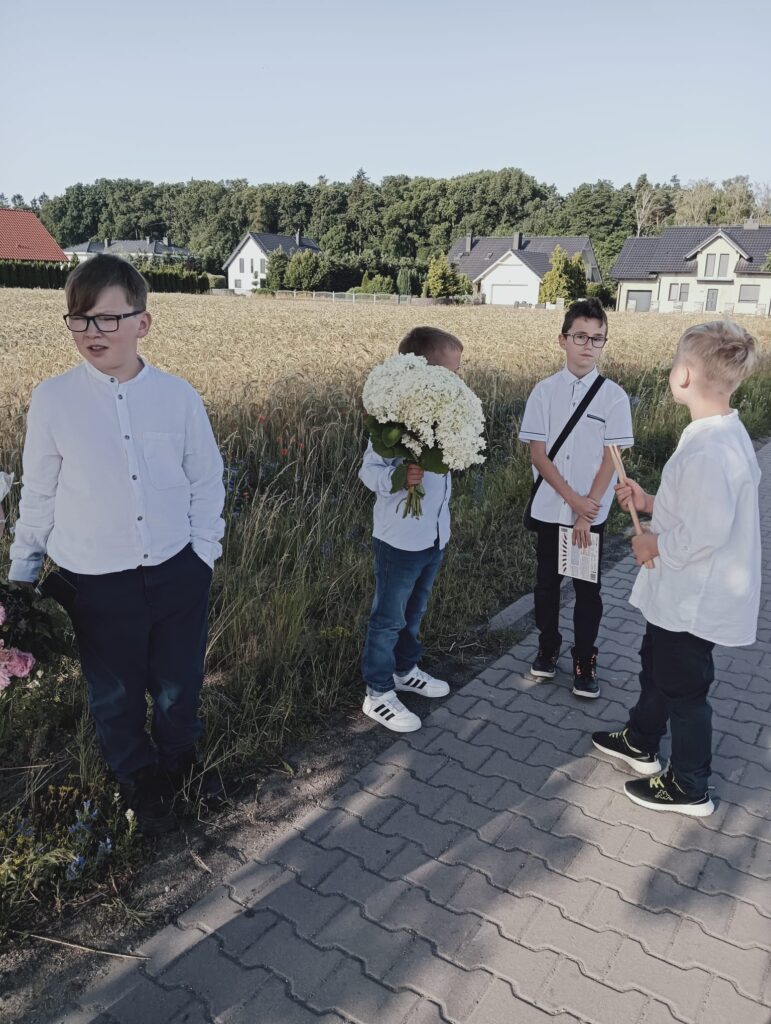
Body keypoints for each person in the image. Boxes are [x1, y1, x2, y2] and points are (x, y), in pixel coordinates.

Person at [8, 254, 225, 835]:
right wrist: (21, 579)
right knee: (115, 694)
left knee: (179, 685)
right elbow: (40, 493)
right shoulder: (53, 400)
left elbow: (206, 479)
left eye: (106, 318)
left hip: (177, 571)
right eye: (78, 319)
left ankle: (179, 762)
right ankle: (138, 779)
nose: (91, 332)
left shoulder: (178, 397)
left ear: (142, 323)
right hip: (95, 582)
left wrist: (203, 555)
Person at [592, 321, 760, 816]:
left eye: (673, 364)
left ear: (685, 374)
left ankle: (690, 784)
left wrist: (654, 543)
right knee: (656, 663)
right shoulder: (719, 432)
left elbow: (706, 531)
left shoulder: (711, 448)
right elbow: (698, 505)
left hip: (694, 596)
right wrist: (650, 501)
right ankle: (641, 739)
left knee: (685, 687)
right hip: (682, 590)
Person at [519, 297, 634, 697]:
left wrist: (587, 512)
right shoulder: (543, 392)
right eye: (580, 336)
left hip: (589, 516)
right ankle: (548, 646)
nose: (588, 345)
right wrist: (572, 500)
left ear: (604, 343)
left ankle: (585, 658)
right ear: (563, 340)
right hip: (551, 509)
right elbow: (538, 455)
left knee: (587, 589)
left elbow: (611, 459)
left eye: (597, 338)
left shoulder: (613, 397)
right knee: (546, 585)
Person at [360, 326, 462, 732]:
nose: (458, 379)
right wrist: (399, 477)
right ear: (425, 373)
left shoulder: (445, 417)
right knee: (388, 617)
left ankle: (405, 669)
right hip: (399, 540)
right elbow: (369, 472)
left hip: (433, 535)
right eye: (453, 371)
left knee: (415, 610)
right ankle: (378, 692)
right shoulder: (394, 418)